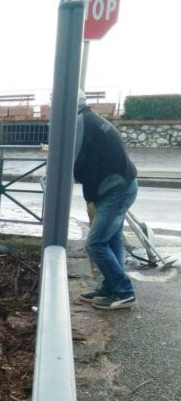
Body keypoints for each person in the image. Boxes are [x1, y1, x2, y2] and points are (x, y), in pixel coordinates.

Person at [74, 90, 138, 310]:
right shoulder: (90, 120)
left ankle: (124, 291)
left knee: (95, 243)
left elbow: (70, 159)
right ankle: (111, 288)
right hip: (120, 185)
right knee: (112, 241)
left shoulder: (80, 122)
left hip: (116, 189)